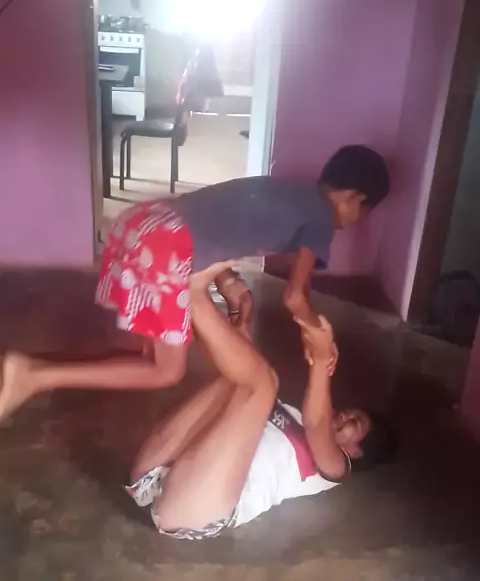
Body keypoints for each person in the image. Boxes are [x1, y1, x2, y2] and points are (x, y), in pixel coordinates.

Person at [0, 145, 389, 421]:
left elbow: (217, 223)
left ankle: (44, 373)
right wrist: (321, 338)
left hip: (146, 222)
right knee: (166, 371)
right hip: (168, 245)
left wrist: (228, 279)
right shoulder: (321, 216)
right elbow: (294, 296)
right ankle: (34, 376)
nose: (355, 220)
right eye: (364, 212)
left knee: (153, 353)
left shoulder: (289, 189)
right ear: (356, 198)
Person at [127, 266, 394, 539]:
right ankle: (196, 293)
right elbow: (237, 364)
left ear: (356, 452)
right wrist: (240, 313)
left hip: (193, 509)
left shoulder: (336, 469)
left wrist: (322, 359)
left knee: (264, 380)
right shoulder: (287, 412)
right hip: (152, 475)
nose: (346, 416)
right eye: (351, 412)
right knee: (241, 375)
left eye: (355, 423)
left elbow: (317, 423)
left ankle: (192, 291)